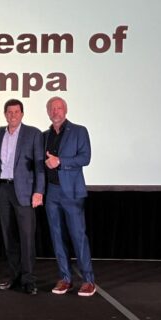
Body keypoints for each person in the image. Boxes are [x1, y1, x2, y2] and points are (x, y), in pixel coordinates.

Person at [0, 99, 44, 295]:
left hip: (25, 191)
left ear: (22, 114)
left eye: (16, 112)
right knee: (9, 236)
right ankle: (14, 276)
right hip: (3, 190)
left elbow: (40, 165)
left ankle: (29, 280)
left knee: (27, 237)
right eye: (9, 112)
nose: (12, 115)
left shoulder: (33, 134)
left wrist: (39, 191)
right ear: (5, 114)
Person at [43, 96, 96, 297]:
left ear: (65, 110)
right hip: (52, 193)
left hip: (72, 192)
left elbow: (85, 158)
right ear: (48, 112)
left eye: (59, 108)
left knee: (78, 236)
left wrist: (60, 161)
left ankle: (88, 280)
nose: (55, 112)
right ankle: (65, 278)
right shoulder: (45, 135)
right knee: (57, 237)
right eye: (52, 109)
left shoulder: (79, 131)